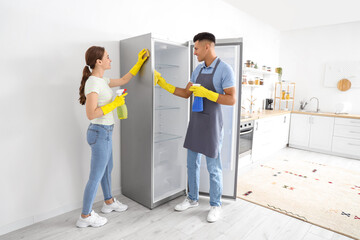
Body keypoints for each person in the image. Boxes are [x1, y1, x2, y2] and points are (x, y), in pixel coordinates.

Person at [154, 32, 236, 222]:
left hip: (213, 124)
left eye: (196, 48)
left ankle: (215, 205)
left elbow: (231, 99)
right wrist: (164, 84)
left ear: (208, 47)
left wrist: (208, 93)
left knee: (213, 167)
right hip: (197, 121)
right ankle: (192, 199)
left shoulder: (225, 69)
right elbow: (185, 93)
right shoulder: (198, 70)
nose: (194, 52)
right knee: (191, 163)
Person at [76, 46, 148, 228]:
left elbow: (124, 79)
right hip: (99, 132)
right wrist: (114, 104)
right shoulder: (93, 82)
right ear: (98, 61)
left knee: (108, 169)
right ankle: (85, 216)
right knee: (96, 175)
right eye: (108, 57)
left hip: (105, 132)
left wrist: (139, 63)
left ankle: (108, 202)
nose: (110, 60)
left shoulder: (102, 80)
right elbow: (91, 114)